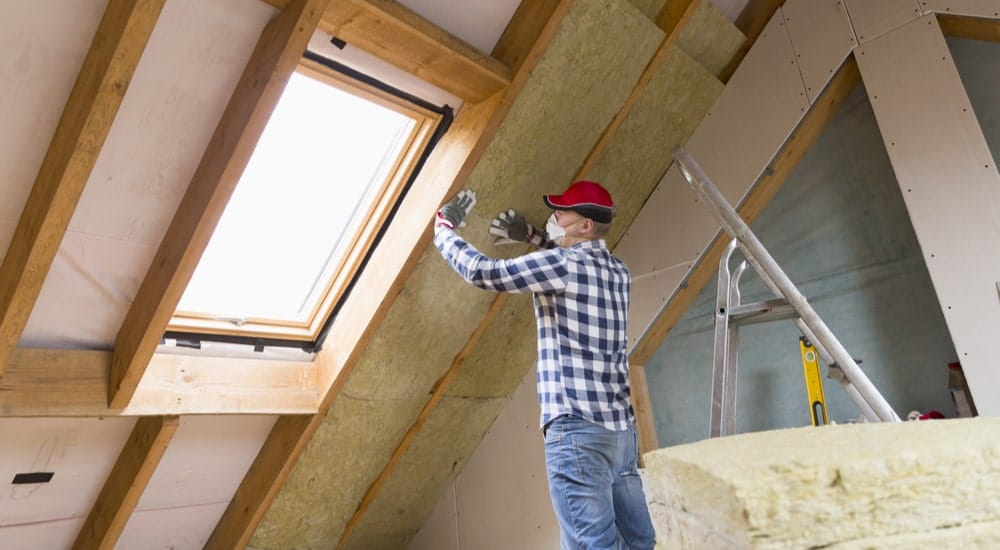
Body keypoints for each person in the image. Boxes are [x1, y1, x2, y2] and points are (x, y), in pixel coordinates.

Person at [432, 180, 656, 550]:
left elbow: (482, 272)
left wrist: (443, 228)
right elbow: (570, 265)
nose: (554, 215)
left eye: (562, 212)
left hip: (577, 433)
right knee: (640, 541)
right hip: (619, 435)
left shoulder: (560, 264)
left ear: (584, 226)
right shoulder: (618, 272)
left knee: (594, 545)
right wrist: (532, 235)